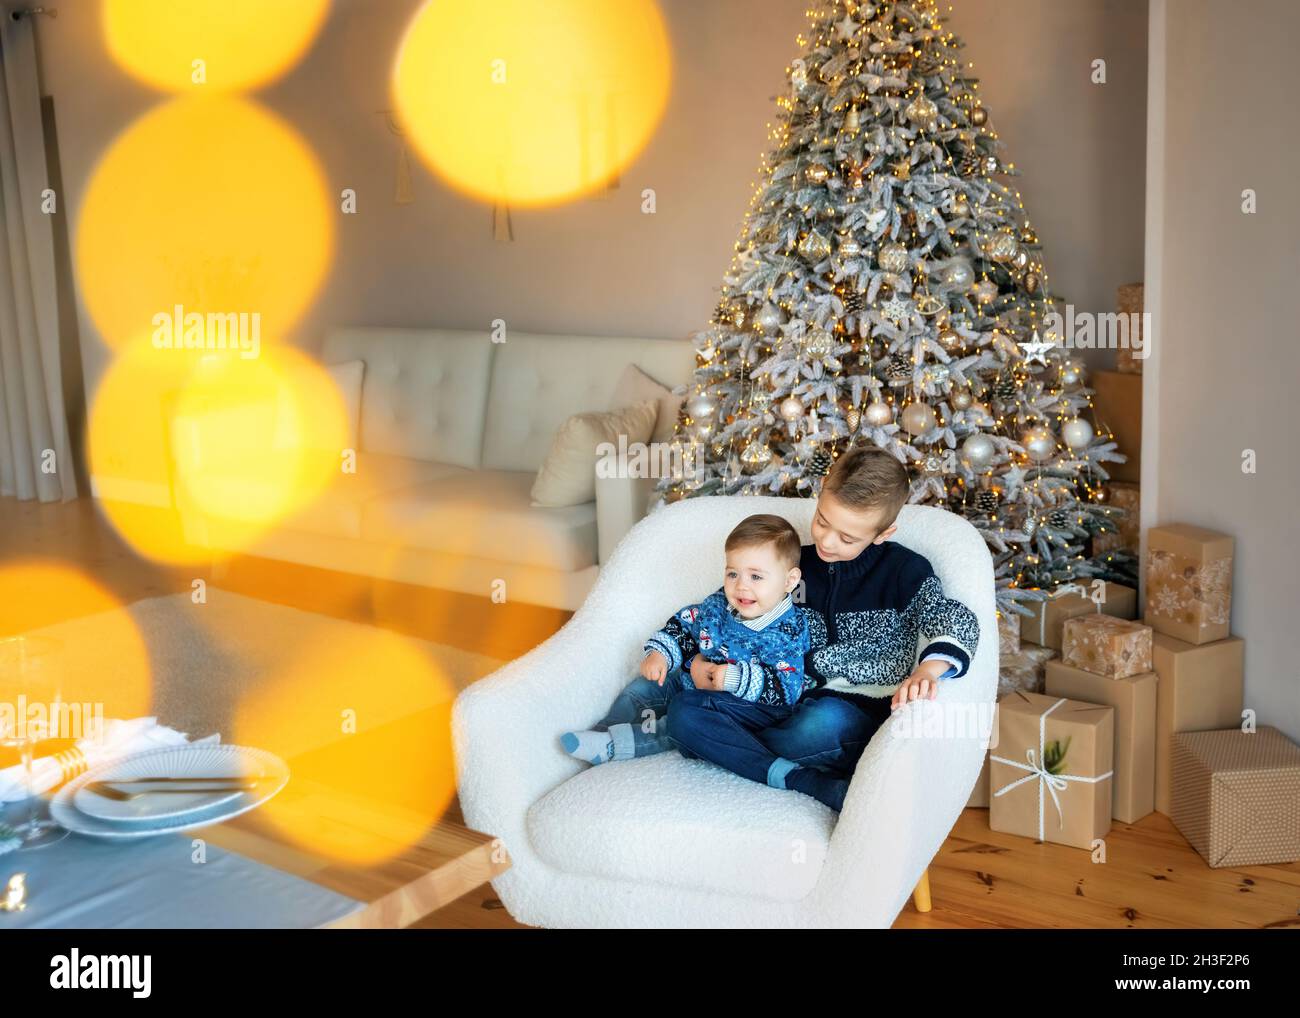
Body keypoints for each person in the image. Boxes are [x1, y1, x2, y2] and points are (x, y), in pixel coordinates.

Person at [669, 446, 981, 812]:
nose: (827, 542)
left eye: (847, 538)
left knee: (819, 725)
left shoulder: (904, 571)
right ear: (820, 495)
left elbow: (954, 617)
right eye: (822, 521)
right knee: (685, 710)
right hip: (777, 700)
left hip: (850, 713)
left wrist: (930, 669)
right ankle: (796, 777)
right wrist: (696, 662)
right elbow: (722, 607)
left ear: (883, 533)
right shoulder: (791, 565)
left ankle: (728, 747)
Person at [561, 514, 810, 765]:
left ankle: (616, 745)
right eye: (733, 574)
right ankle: (604, 730)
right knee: (643, 688)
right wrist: (661, 653)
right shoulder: (719, 605)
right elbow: (687, 624)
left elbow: (787, 687)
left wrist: (734, 678)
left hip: (729, 708)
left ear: (789, 581)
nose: (741, 586)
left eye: (756, 577)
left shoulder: (787, 630)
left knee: (675, 721)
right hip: (688, 682)